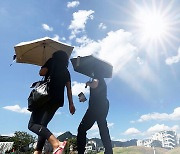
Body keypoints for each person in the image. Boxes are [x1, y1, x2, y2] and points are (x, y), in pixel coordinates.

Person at [28, 50, 75, 154]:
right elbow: (69, 89)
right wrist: (71, 104)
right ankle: (38, 151)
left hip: (46, 97)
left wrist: (45, 64)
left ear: (55, 56)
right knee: (42, 125)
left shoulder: (51, 61)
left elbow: (41, 72)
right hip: (58, 100)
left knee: (32, 125)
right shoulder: (67, 72)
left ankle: (57, 143)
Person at [77, 67, 113, 154]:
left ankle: (81, 152)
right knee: (103, 128)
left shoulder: (97, 77)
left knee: (82, 129)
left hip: (95, 107)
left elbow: (95, 84)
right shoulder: (102, 80)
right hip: (103, 105)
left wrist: (88, 83)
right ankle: (109, 151)